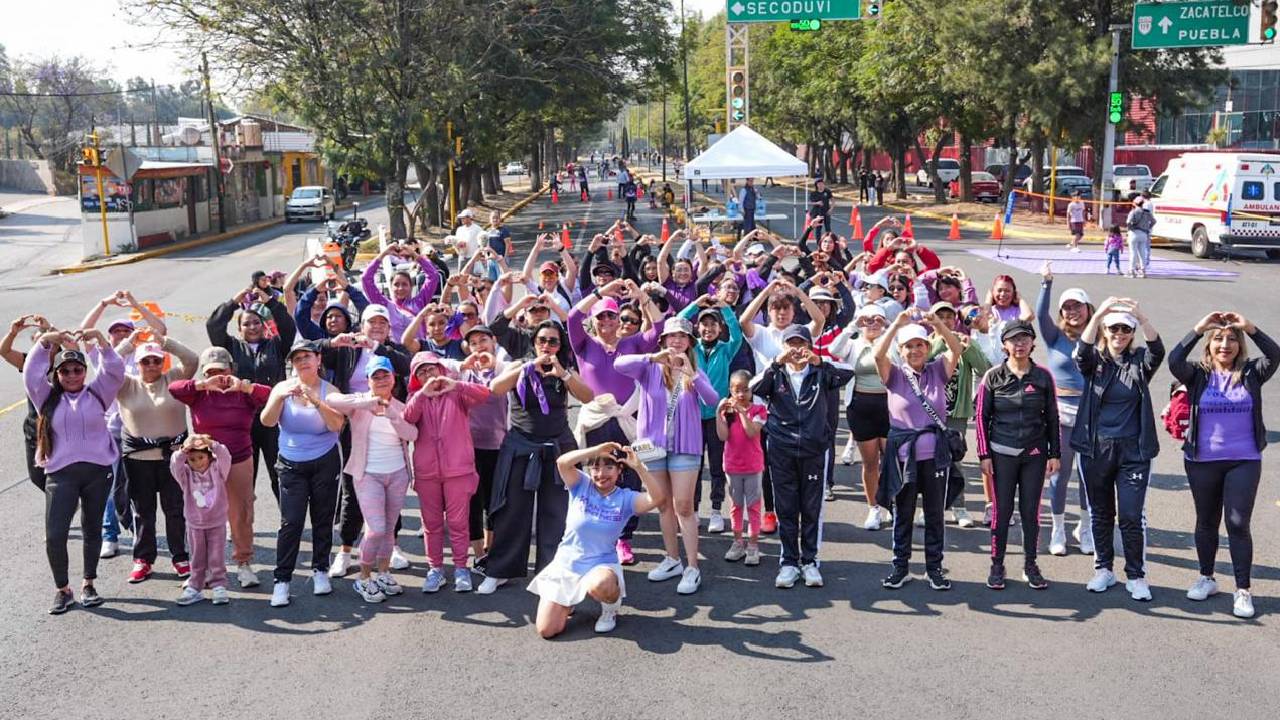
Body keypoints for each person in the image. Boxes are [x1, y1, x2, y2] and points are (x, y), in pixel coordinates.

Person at [1168, 312, 1279, 619]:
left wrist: (1250, 327)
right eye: (1218, 339)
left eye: (1232, 339)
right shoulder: (1197, 374)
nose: (1225, 345)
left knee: (1238, 523)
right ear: (1209, 345)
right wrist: (1198, 328)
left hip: (1244, 460)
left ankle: (1243, 590)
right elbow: (1174, 360)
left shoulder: (1252, 372)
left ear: (1239, 345)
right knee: (1206, 521)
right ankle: (1206, 578)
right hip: (1201, 461)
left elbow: (1275, 354)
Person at [480, 322, 594, 595]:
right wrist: (528, 366)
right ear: (534, 342)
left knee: (556, 512)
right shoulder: (520, 364)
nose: (547, 346)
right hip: (521, 445)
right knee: (512, 510)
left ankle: (551, 572)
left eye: (553, 341)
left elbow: (588, 396)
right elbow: (495, 388)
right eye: (542, 340)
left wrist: (563, 374)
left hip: (558, 447)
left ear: (560, 345)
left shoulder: (564, 369)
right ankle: (500, 570)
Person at [617, 317, 719, 595]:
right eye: (672, 336)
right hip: (653, 447)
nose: (677, 340)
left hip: (685, 447)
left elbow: (712, 400)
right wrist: (652, 357)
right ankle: (672, 559)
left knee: (684, 506)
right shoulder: (649, 369)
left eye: (682, 336)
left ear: (690, 343)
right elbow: (619, 364)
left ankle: (692, 567)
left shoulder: (694, 370)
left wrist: (692, 375)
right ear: (662, 340)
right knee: (663, 505)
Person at [25, 328, 124, 615]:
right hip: (61, 474)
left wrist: (102, 342)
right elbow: (31, 373)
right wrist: (46, 341)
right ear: (56, 374)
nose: (71, 375)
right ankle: (63, 589)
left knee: (93, 528)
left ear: (84, 371)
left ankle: (89, 583)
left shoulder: (98, 393)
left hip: (97, 472)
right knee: (56, 534)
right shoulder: (45, 397)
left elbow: (115, 370)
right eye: (65, 371)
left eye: (77, 370)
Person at [1072, 297, 1163, 601]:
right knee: (1100, 512)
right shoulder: (1094, 363)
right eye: (1114, 329)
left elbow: (1158, 351)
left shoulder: (1139, 361)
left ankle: (1136, 576)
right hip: (1095, 449)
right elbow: (1082, 351)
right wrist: (1099, 314)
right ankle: (1104, 570)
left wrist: (1141, 316)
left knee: (1131, 515)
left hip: (1134, 452)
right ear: (1105, 330)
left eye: (1125, 329)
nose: (1119, 334)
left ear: (1132, 333)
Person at [750, 325, 854, 589]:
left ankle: (809, 561)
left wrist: (820, 362)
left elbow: (848, 373)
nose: (796, 350)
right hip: (781, 449)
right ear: (783, 347)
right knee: (786, 508)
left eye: (801, 344)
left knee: (811, 509)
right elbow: (753, 388)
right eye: (791, 344)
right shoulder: (775, 373)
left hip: (814, 449)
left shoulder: (822, 372)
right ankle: (788, 562)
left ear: (809, 346)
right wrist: (776, 363)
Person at [533, 443, 665, 638]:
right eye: (595, 468)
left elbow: (657, 498)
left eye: (609, 467)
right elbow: (562, 462)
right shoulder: (581, 484)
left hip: (600, 564)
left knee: (601, 584)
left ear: (620, 470)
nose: (601, 474)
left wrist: (639, 467)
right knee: (547, 630)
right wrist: (596, 450)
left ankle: (610, 609)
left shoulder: (626, 499)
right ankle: (568, 601)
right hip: (567, 564)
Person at [875, 310, 963, 591]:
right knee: (903, 513)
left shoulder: (937, 370)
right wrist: (895, 325)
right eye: (908, 346)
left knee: (935, 515)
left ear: (927, 347)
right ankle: (900, 568)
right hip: (904, 457)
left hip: (936, 456)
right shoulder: (894, 375)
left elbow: (956, 349)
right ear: (901, 351)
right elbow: (878, 354)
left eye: (920, 345)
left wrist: (938, 325)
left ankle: (934, 569)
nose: (914, 351)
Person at [168, 347, 271, 588]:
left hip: (238, 459)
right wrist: (203, 385)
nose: (218, 377)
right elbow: (174, 388)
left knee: (241, 512)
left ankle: (244, 563)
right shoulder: (199, 394)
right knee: (201, 515)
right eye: (211, 373)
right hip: (204, 463)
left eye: (222, 372)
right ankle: (202, 569)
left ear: (231, 369)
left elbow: (270, 395)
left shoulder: (243, 393)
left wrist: (244, 386)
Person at [259, 339, 346, 608]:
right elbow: (267, 421)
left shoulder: (330, 390)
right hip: (290, 464)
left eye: (307, 356)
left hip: (325, 461)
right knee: (291, 522)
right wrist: (279, 398)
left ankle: (320, 570)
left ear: (318, 360)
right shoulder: (282, 388)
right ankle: (282, 580)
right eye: (297, 359)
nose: (303, 362)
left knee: (323, 518)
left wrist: (316, 401)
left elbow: (337, 425)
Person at [975, 321, 1060, 590]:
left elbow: (1053, 417)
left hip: (1034, 453)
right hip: (1001, 454)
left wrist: (1054, 454)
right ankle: (997, 564)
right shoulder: (992, 376)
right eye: (1013, 340)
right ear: (1004, 345)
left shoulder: (1043, 376)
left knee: (1030, 512)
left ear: (1033, 343)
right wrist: (984, 454)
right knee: (1002, 512)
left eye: (1025, 339)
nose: (1019, 344)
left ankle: (1030, 565)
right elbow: (981, 418)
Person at [327, 356, 418, 603]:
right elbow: (332, 399)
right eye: (375, 377)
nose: (381, 380)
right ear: (367, 380)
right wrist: (368, 402)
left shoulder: (401, 406)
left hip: (397, 474)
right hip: (368, 474)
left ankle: (384, 573)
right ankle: (364, 577)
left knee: (389, 528)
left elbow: (412, 434)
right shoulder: (359, 403)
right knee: (376, 528)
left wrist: (392, 415)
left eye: (385, 375)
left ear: (393, 378)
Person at [114, 332, 199, 585]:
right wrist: (128, 345)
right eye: (145, 361)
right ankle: (143, 559)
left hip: (173, 458)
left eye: (156, 360)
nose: (151, 365)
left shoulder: (174, 379)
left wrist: (165, 342)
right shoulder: (125, 384)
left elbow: (192, 359)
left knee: (175, 510)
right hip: (138, 460)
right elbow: (107, 366)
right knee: (143, 512)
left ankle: (180, 556)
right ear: (137, 363)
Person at [403, 352, 491, 593]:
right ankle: (435, 569)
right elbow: (408, 417)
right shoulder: (416, 397)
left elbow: (484, 394)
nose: (427, 374)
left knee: (458, 523)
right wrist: (422, 394)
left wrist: (456, 384)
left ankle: (461, 568)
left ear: (440, 369)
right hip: (427, 471)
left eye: (431, 368)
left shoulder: (457, 391)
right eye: (421, 372)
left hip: (458, 469)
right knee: (431, 524)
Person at [207, 284, 297, 499]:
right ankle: (243, 516)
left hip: (273, 418)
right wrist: (233, 303)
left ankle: (288, 516)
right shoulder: (231, 347)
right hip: (242, 421)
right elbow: (213, 326)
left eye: (256, 322)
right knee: (245, 477)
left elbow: (288, 326)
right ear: (239, 329)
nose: (252, 327)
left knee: (280, 473)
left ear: (264, 325)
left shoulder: (276, 345)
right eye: (246, 324)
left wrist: (270, 302)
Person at [1035, 263, 1094, 556]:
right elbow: (1039, 315)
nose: (1072, 311)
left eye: (1077, 306)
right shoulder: (1054, 336)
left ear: (1088, 308)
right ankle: (1057, 529)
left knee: (1087, 476)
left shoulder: (1099, 337)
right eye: (1067, 307)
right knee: (1059, 475)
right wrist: (1046, 283)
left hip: (1090, 416)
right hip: (1059, 415)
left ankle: (1085, 528)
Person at [678, 299, 744, 534]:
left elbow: (737, 332)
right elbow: (678, 322)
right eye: (704, 324)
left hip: (718, 415)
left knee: (717, 465)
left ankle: (716, 511)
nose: (708, 328)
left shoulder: (726, 348)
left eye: (713, 324)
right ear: (697, 327)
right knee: (694, 465)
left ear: (719, 327)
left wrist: (724, 307)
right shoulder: (690, 347)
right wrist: (696, 304)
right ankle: (694, 510)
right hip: (693, 415)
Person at [830, 305, 892, 529]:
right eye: (869, 320)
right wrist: (854, 325)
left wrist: (889, 328)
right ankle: (873, 508)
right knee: (870, 462)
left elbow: (901, 356)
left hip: (890, 407)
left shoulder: (890, 341)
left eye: (878, 319)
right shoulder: (854, 344)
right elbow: (834, 348)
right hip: (860, 406)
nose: (873, 324)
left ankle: (891, 504)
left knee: (892, 460)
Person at [170, 435, 232, 606]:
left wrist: (211, 443)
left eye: (201, 457)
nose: (197, 463)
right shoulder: (185, 475)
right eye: (192, 459)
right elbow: (175, 464)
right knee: (197, 557)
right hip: (195, 523)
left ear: (209, 456)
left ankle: (218, 585)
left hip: (217, 522)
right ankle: (195, 586)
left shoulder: (218, 470)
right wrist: (184, 450)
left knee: (216, 556)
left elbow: (225, 455)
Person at [716, 370, 766, 565]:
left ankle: (753, 545)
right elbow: (722, 436)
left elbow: (752, 432)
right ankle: (737, 542)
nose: (741, 394)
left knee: (753, 506)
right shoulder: (727, 412)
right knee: (736, 506)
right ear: (730, 390)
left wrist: (742, 412)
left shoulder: (759, 410)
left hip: (753, 466)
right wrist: (718, 413)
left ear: (751, 390)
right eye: (736, 390)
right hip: (732, 466)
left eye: (745, 390)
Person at [360, 240, 442, 343]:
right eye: (396, 284)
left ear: (411, 287)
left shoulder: (419, 302)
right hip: (395, 351)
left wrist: (413, 254)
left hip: (419, 350)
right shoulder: (385, 305)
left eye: (404, 284)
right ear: (391, 287)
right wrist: (383, 254)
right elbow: (366, 279)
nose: (400, 288)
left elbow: (433, 276)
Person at [1125, 196, 1156, 279]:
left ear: (1135, 203)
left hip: (1134, 234)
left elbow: (1128, 223)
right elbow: (1154, 221)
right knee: (1142, 253)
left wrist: (1130, 230)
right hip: (1144, 234)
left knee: (1133, 252)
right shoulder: (1147, 212)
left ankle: (1131, 271)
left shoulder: (1133, 212)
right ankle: (1142, 271)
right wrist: (1148, 228)